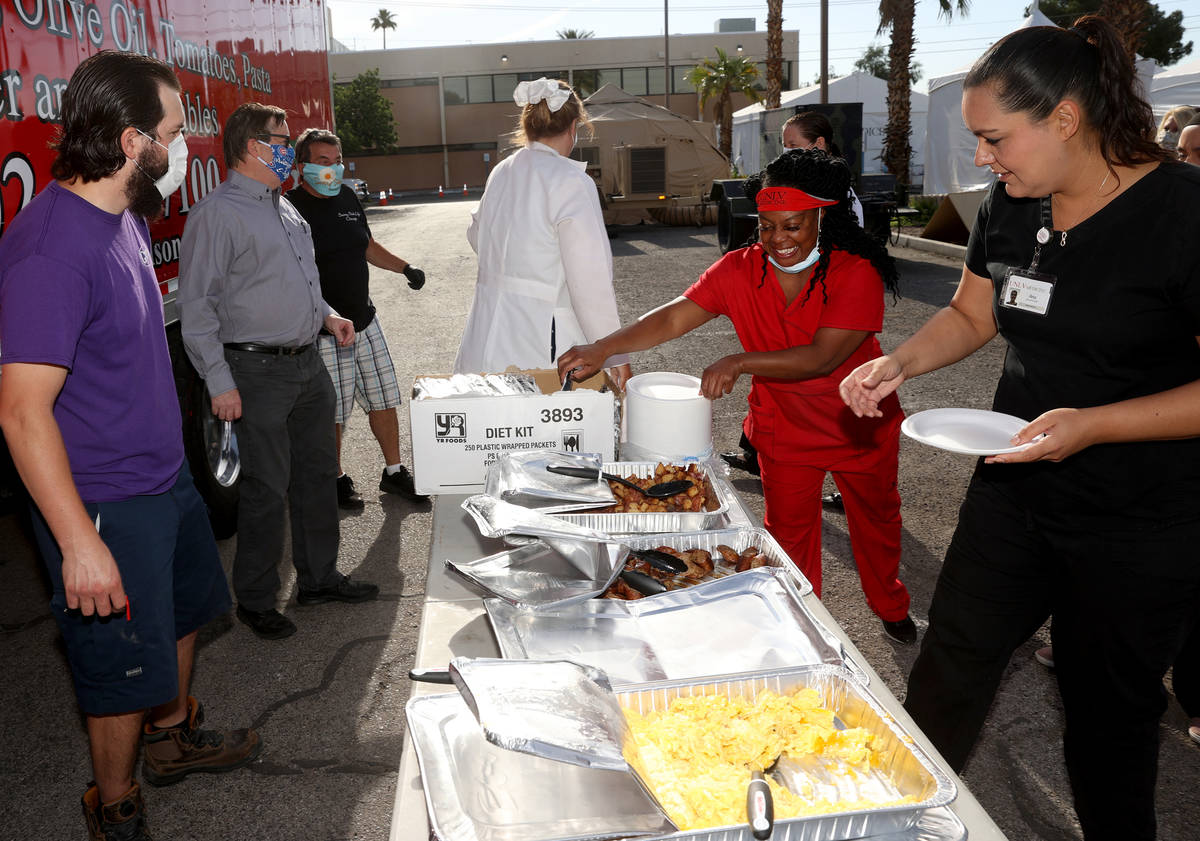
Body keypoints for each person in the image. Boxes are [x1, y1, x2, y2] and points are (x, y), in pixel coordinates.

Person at [839, 16, 1200, 840]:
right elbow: (973, 314)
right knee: (947, 670)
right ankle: (887, 821)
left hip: (1141, 519)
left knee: (1109, 716)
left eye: (995, 137)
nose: (982, 160)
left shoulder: (1182, 215)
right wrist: (900, 364)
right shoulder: (1011, 203)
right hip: (1017, 490)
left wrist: (1097, 424)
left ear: (1066, 120)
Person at [0, 51, 261, 840]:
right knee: (118, 670)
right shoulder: (50, 249)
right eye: (173, 133)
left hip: (164, 480)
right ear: (128, 140)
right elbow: (20, 412)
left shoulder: (125, 217)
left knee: (181, 612)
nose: (182, 148)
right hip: (104, 501)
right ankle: (114, 801)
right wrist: (79, 541)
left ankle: (170, 739)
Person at [559, 148, 916, 644]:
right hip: (785, 426)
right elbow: (674, 316)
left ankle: (890, 602)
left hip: (859, 422)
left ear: (822, 219)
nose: (777, 240)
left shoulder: (855, 271)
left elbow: (822, 357)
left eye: (792, 226)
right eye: (767, 226)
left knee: (875, 520)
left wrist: (740, 361)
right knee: (788, 538)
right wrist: (603, 346)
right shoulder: (739, 268)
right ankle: (798, 625)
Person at [179, 103, 378, 642]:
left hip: (307, 365)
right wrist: (219, 382)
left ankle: (317, 578)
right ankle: (257, 598)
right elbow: (197, 310)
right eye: (280, 140)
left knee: (317, 476)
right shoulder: (217, 214)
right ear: (250, 145)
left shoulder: (284, 209)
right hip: (255, 370)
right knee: (266, 490)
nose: (289, 149)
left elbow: (300, 288)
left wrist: (330, 317)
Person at [721, 112, 871, 480]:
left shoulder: (835, 197)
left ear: (818, 145)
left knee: (826, 397)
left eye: (791, 146)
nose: (783, 153)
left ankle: (847, 471)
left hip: (820, 319)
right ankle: (757, 451)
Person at [454, 77, 631, 386]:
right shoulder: (571, 181)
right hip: (543, 340)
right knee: (545, 431)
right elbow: (589, 281)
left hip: (486, 330)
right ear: (575, 126)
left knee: (491, 426)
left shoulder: (502, 171)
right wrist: (614, 353)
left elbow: (476, 235)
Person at [286, 128, 429, 509]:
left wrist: (405, 267)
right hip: (325, 329)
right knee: (332, 409)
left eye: (337, 162)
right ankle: (333, 478)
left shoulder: (347, 197)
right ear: (301, 167)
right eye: (322, 162)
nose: (332, 170)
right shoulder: (289, 208)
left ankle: (394, 472)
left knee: (384, 398)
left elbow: (364, 244)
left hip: (365, 320)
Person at [782, 111, 865, 225]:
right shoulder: (784, 181)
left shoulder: (841, 192)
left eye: (793, 145)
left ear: (819, 143)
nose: (787, 151)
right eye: (785, 146)